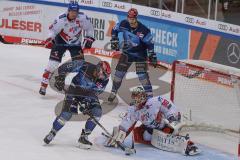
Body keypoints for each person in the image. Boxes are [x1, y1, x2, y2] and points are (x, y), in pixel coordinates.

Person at [106, 87, 201, 156]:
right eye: (134, 97)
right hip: (153, 128)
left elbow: (171, 108)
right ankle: (164, 138)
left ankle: (189, 145)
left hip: (168, 124)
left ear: (143, 97)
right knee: (144, 137)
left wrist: (172, 119)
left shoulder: (155, 101)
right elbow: (127, 123)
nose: (135, 99)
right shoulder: (133, 109)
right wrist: (118, 135)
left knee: (168, 132)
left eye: (137, 97)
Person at [43, 60, 111, 149]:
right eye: (103, 74)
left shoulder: (104, 80)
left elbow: (95, 92)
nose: (102, 78)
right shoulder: (85, 65)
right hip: (74, 91)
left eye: (105, 76)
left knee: (97, 112)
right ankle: (53, 132)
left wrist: (86, 102)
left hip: (88, 95)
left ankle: (84, 137)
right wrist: (61, 77)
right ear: (98, 69)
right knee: (67, 114)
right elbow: (65, 67)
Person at [39, 1, 95, 95]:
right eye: (72, 11)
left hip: (75, 44)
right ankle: (43, 86)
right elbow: (53, 31)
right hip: (60, 42)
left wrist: (89, 39)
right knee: (52, 65)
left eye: (76, 11)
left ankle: (63, 76)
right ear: (68, 11)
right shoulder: (61, 19)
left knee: (80, 65)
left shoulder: (83, 18)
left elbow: (90, 29)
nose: (74, 13)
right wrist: (49, 39)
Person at [108, 8, 157, 102]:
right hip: (127, 53)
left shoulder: (144, 30)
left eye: (133, 18)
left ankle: (150, 97)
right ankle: (113, 91)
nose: (130, 20)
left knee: (142, 76)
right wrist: (114, 39)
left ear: (136, 18)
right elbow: (114, 29)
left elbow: (150, 44)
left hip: (140, 55)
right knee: (118, 74)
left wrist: (152, 55)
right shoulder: (123, 23)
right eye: (129, 18)